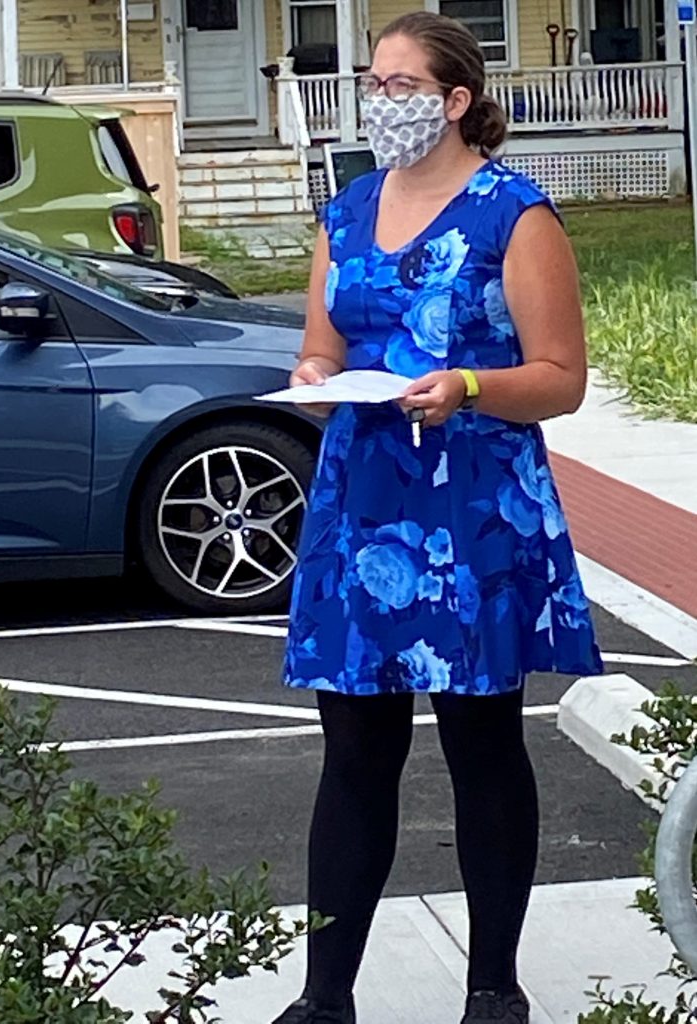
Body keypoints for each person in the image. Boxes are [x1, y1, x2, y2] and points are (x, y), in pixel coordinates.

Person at [273, 12, 603, 1024]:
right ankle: (325, 997)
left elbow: (560, 380)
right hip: (363, 503)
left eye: (398, 84)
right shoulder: (347, 211)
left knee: (481, 741)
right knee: (354, 750)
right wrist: (316, 378)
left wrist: (464, 383)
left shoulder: (515, 214)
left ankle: (493, 988)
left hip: (469, 509)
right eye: (372, 83)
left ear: (455, 100)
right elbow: (323, 347)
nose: (378, 101)